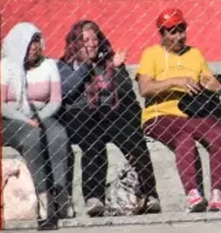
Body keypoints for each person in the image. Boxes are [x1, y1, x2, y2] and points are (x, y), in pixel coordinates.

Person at [58, 20, 161, 217]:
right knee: (93, 142)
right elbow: (67, 91)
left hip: (110, 114)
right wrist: (86, 65)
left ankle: (150, 194)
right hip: (79, 115)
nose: (91, 43)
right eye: (85, 39)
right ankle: (94, 198)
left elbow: (124, 92)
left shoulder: (110, 62)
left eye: (95, 38)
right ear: (75, 43)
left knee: (136, 142)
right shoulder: (65, 65)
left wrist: (116, 70)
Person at [137, 8, 221, 213]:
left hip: (192, 113)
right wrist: (175, 82)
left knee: (218, 133)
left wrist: (216, 86)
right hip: (160, 115)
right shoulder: (151, 54)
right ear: (162, 34)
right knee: (184, 135)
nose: (179, 36)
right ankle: (193, 194)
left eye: (182, 30)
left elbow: (209, 80)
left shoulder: (195, 54)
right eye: (173, 32)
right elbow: (145, 88)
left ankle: (217, 194)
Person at [0, 22, 72, 230]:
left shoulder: (47, 66)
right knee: (32, 136)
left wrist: (38, 117)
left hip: (37, 115)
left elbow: (55, 101)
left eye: (36, 42)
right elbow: (0, 105)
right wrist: (27, 120)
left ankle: (60, 192)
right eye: (29, 43)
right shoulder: (6, 68)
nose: (34, 47)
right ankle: (44, 200)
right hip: (10, 119)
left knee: (58, 134)